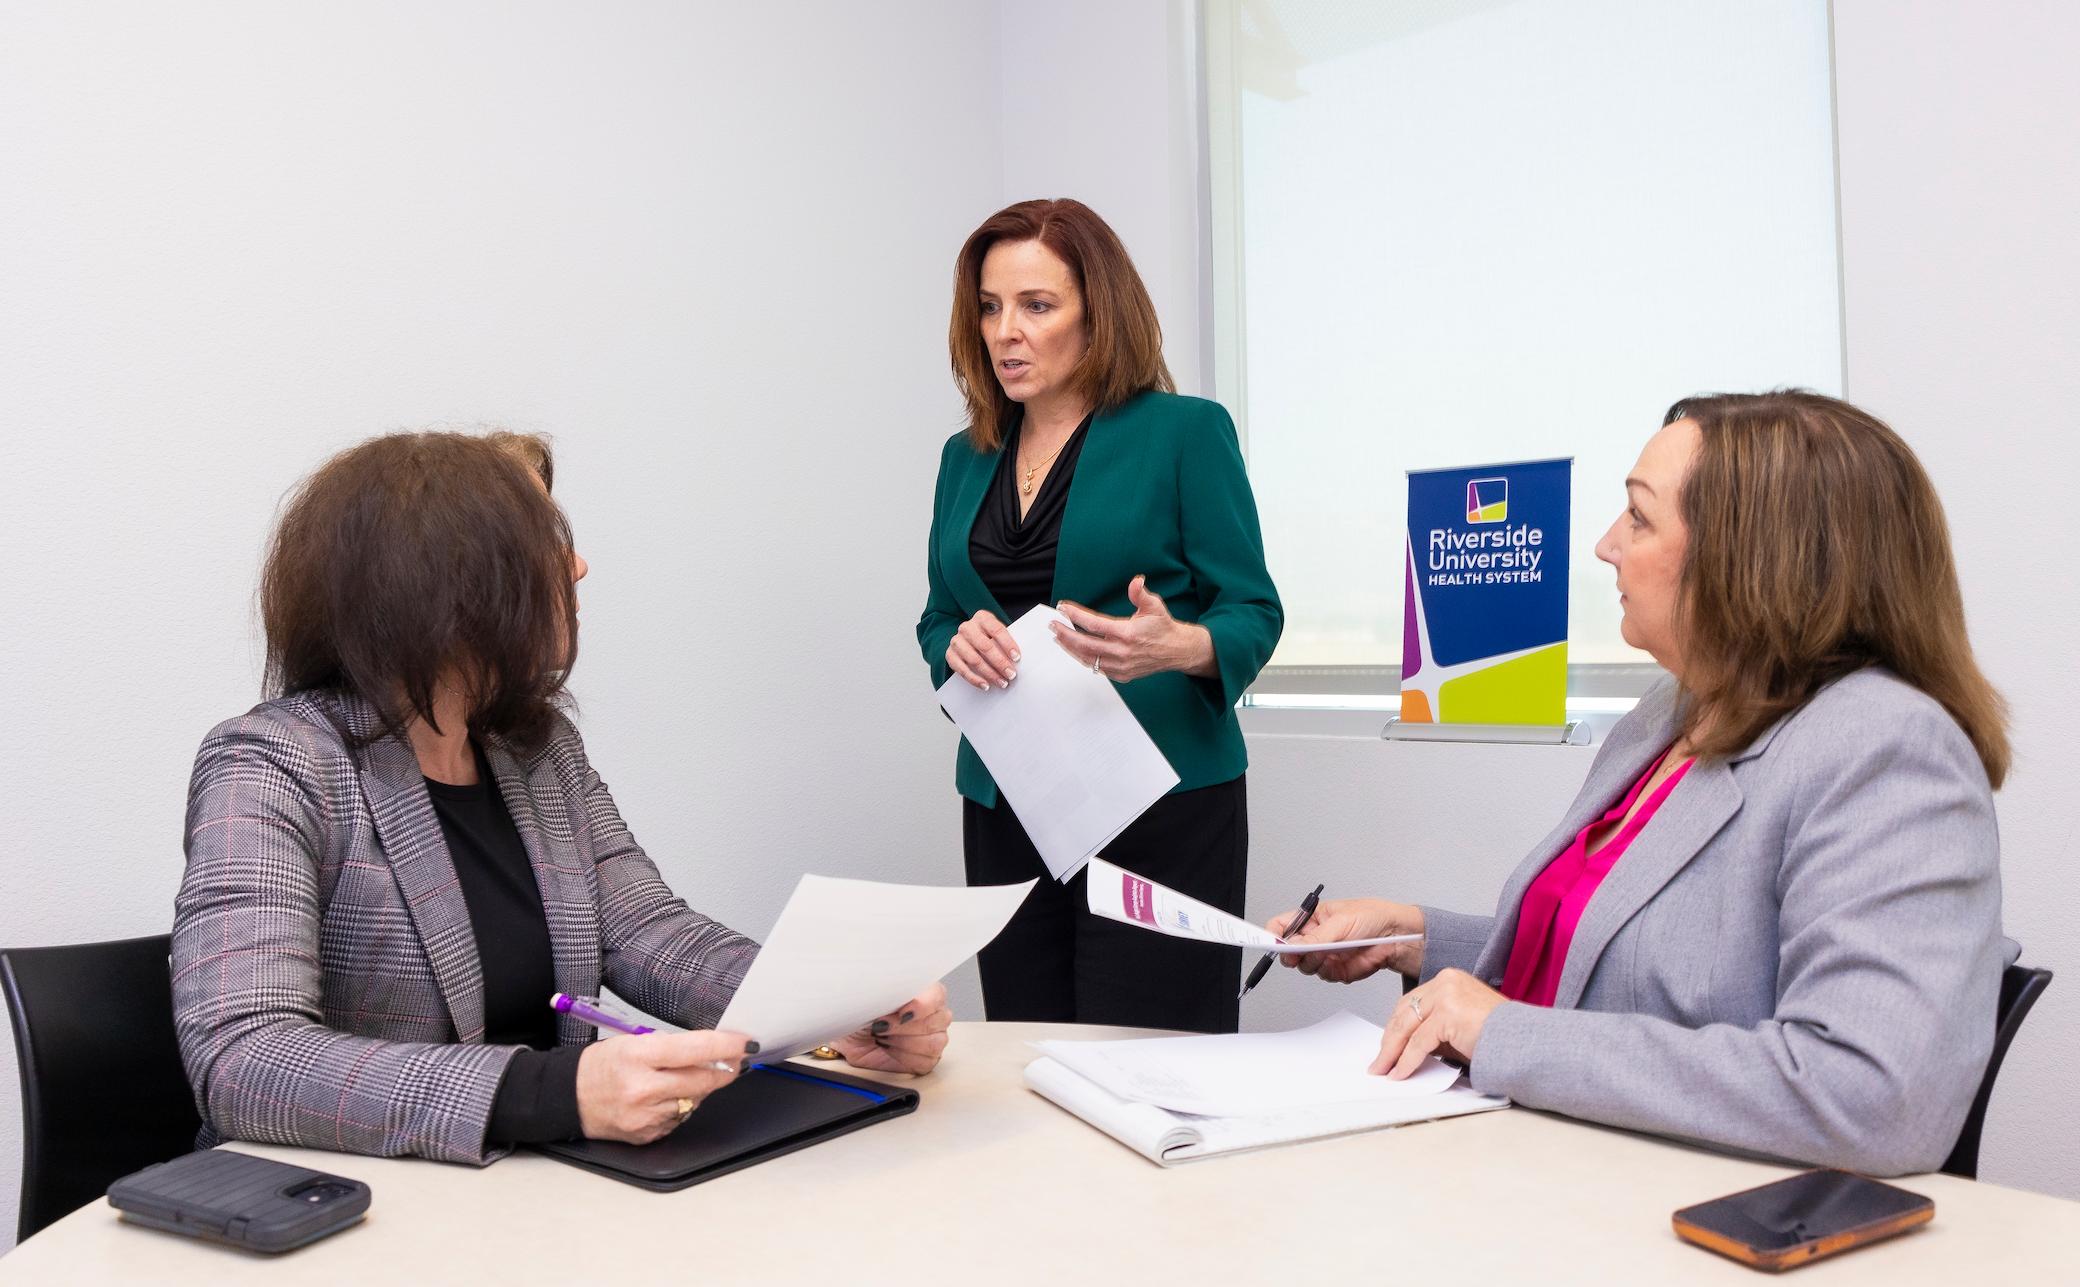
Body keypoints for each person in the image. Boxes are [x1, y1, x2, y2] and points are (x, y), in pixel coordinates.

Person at [1275, 391, 2009, 1176]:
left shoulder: (1887, 748)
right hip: (1545, 1164)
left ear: (1750, 556)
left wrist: (1502, 1032)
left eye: (1639, 517)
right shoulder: (1671, 708)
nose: (1603, 545)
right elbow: (1619, 961)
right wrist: (1412, 936)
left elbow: (1870, 1096)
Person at [173, 430, 952, 1164]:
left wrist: (838, 1007)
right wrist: (555, 1093)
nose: (577, 568)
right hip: (365, 1209)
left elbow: (654, 934)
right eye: (544, 543)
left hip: (535, 1196)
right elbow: (243, 1056)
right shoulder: (270, 762)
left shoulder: (537, 750)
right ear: (450, 584)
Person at [917, 198, 1282, 1033]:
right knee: (1028, 1061)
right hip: (1009, 803)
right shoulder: (963, 457)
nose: (1005, 330)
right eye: (988, 306)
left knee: (1155, 1066)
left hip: (1160, 806)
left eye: (1036, 306)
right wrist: (956, 644)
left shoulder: (1185, 433)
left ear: (1098, 315)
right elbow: (937, 617)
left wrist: (1183, 644)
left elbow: (1253, 610)